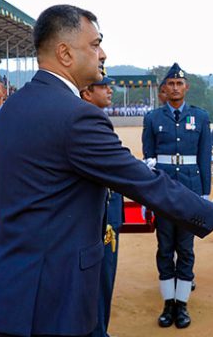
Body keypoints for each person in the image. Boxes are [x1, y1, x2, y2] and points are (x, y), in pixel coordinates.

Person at [0, 5, 213, 337]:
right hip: (51, 298)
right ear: (65, 53)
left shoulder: (13, 107)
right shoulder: (77, 116)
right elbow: (141, 180)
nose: (103, 53)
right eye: (94, 44)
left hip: (8, 291)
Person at [141, 62, 211, 329]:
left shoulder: (200, 116)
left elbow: (204, 157)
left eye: (179, 83)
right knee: (164, 246)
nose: (175, 87)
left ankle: (182, 304)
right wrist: (148, 195)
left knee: (186, 247)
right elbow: (148, 158)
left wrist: (204, 194)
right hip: (163, 189)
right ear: (164, 89)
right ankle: (168, 302)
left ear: (186, 87)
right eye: (170, 84)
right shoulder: (153, 118)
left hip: (190, 190)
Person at [80, 74, 122, 337]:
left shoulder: (98, 119)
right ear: (86, 92)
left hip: (107, 213)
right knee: (92, 284)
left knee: (105, 281)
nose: (109, 90)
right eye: (103, 86)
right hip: (91, 218)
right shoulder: (84, 121)